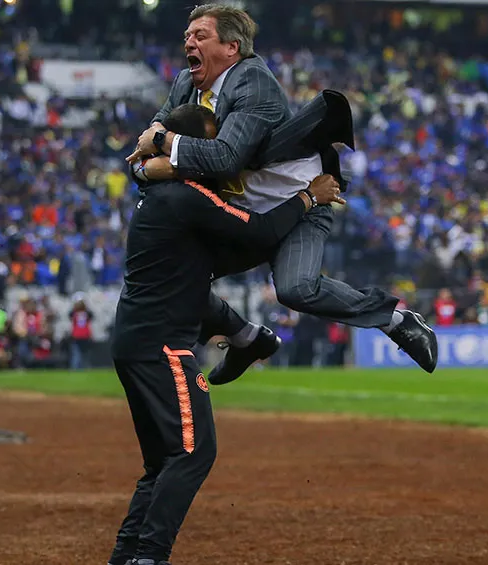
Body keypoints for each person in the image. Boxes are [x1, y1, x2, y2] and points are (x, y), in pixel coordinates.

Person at [127, 3, 437, 382]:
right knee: (175, 270)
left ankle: (394, 319)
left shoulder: (252, 81)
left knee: (296, 290)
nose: (188, 42)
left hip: (306, 201)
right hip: (249, 214)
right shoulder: (185, 84)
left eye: (200, 36)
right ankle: (246, 338)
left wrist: (161, 145)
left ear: (232, 47)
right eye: (187, 37)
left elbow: (222, 158)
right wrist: (148, 162)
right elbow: (143, 150)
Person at [109, 103, 343, 565]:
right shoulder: (188, 196)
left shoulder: (161, 194)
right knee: (194, 453)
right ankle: (150, 557)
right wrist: (308, 197)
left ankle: (127, 558)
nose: (225, 157)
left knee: (163, 462)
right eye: (215, 146)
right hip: (163, 347)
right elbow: (257, 231)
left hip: (138, 340)